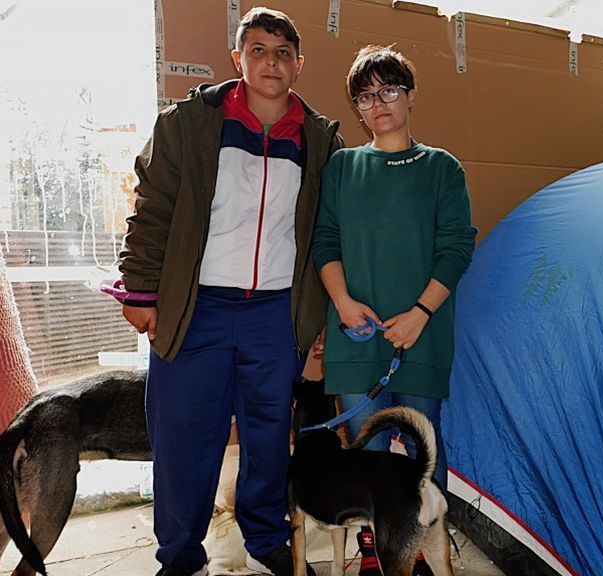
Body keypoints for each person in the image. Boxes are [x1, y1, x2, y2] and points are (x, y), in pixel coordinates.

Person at [117, 8, 341, 576]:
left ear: (299, 66)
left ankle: (267, 539)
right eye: (259, 50)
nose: (272, 61)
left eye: (284, 53)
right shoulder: (189, 124)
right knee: (186, 439)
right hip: (197, 309)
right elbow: (152, 210)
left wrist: (319, 322)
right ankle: (179, 554)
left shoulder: (319, 141)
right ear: (238, 58)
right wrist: (141, 291)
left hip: (275, 312)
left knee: (268, 437)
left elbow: (324, 233)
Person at [311, 45, 475, 570]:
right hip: (355, 335)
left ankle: (427, 548)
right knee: (367, 457)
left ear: (409, 95)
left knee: (424, 452)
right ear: (357, 108)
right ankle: (372, 552)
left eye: (388, 90)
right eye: (365, 96)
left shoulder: (441, 167)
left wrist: (421, 314)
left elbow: (457, 247)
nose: (377, 103)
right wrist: (342, 302)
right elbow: (324, 242)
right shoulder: (342, 166)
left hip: (422, 333)